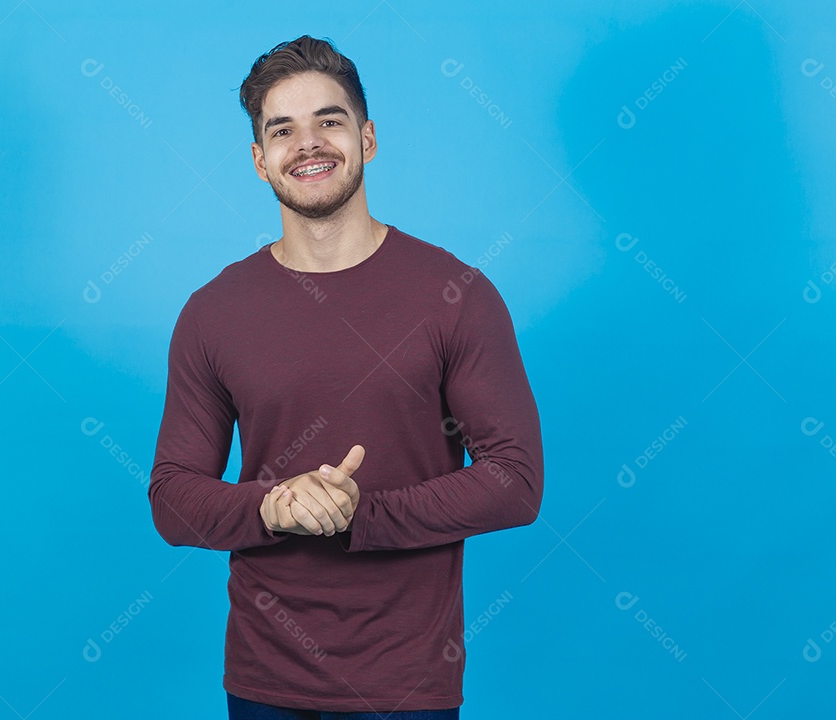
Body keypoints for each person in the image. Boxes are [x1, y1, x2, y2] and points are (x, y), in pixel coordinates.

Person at [148, 34, 543, 720]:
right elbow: (172, 498)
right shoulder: (213, 312)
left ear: (367, 138)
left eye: (329, 121)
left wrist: (365, 515)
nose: (309, 144)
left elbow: (516, 481)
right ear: (259, 161)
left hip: (407, 683)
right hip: (264, 677)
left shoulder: (455, 293)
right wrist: (272, 507)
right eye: (283, 130)